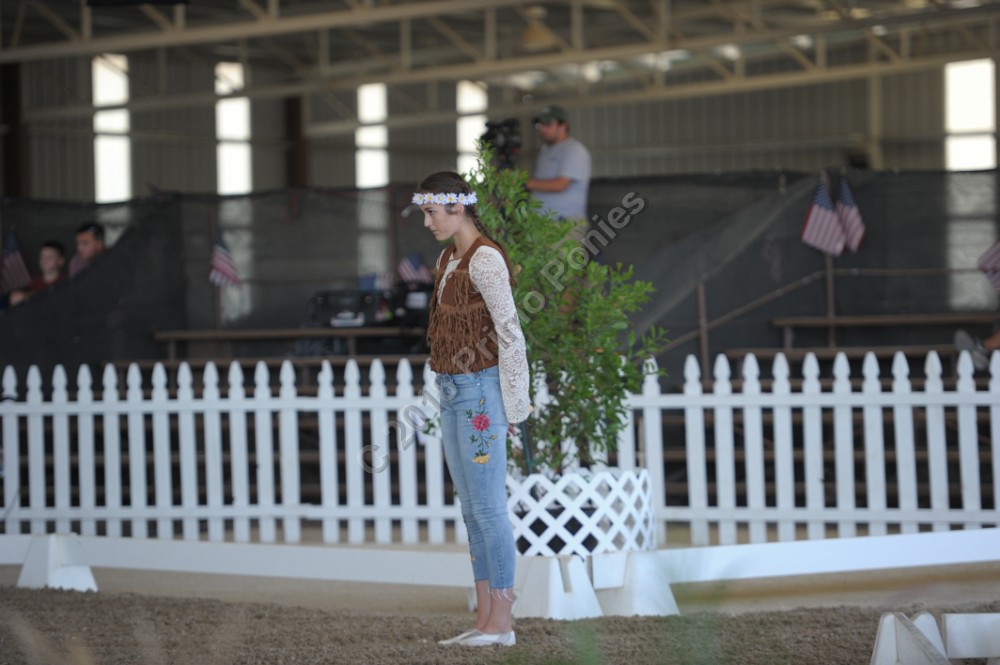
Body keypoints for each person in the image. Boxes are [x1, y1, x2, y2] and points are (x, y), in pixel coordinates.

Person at [413, 171, 530, 648]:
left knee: (486, 507)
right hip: (454, 389)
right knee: (472, 508)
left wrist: (514, 406)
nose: (428, 222)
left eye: (431, 212)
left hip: (480, 391)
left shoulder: (485, 260)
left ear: (456, 208)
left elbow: (510, 332)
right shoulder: (449, 258)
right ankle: (487, 621)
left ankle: (501, 623)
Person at [525, 104, 592, 242]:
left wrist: (526, 182)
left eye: (548, 124)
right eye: (540, 124)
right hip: (540, 224)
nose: (542, 129)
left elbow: (560, 184)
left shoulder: (574, 150)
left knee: (560, 257)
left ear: (563, 126)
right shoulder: (545, 152)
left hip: (564, 225)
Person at [8, 239, 67, 305]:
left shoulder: (66, 282)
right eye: (42, 256)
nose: (45, 260)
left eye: (50, 257)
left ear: (61, 261)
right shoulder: (34, 283)